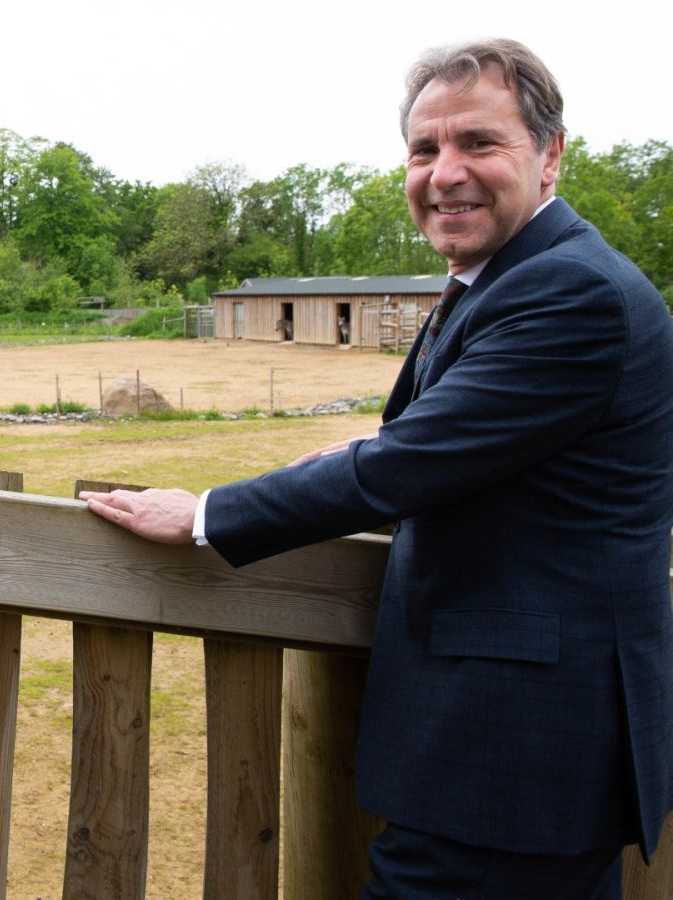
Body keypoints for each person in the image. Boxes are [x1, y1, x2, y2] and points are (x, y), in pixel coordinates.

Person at [84, 39, 673, 897]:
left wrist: (208, 513)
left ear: (550, 156)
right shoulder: (508, 277)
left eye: (480, 143)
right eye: (424, 149)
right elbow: (459, 443)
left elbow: (412, 462)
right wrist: (366, 452)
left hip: (515, 753)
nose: (445, 173)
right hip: (511, 752)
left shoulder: (568, 292)